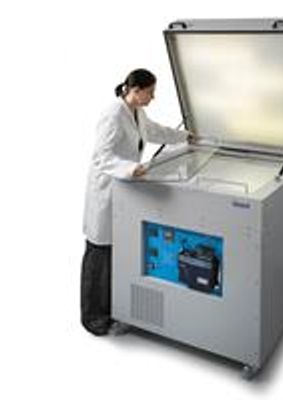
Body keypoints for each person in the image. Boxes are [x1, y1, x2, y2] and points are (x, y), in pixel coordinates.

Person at [81, 68, 191, 335]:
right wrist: (130, 168)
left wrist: (186, 136)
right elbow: (101, 157)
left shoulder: (137, 112)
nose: (153, 97)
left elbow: (155, 132)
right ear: (135, 90)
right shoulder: (113, 115)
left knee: (115, 256)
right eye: (150, 92)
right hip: (106, 192)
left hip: (123, 192)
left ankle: (112, 311)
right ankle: (93, 318)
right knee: (99, 255)